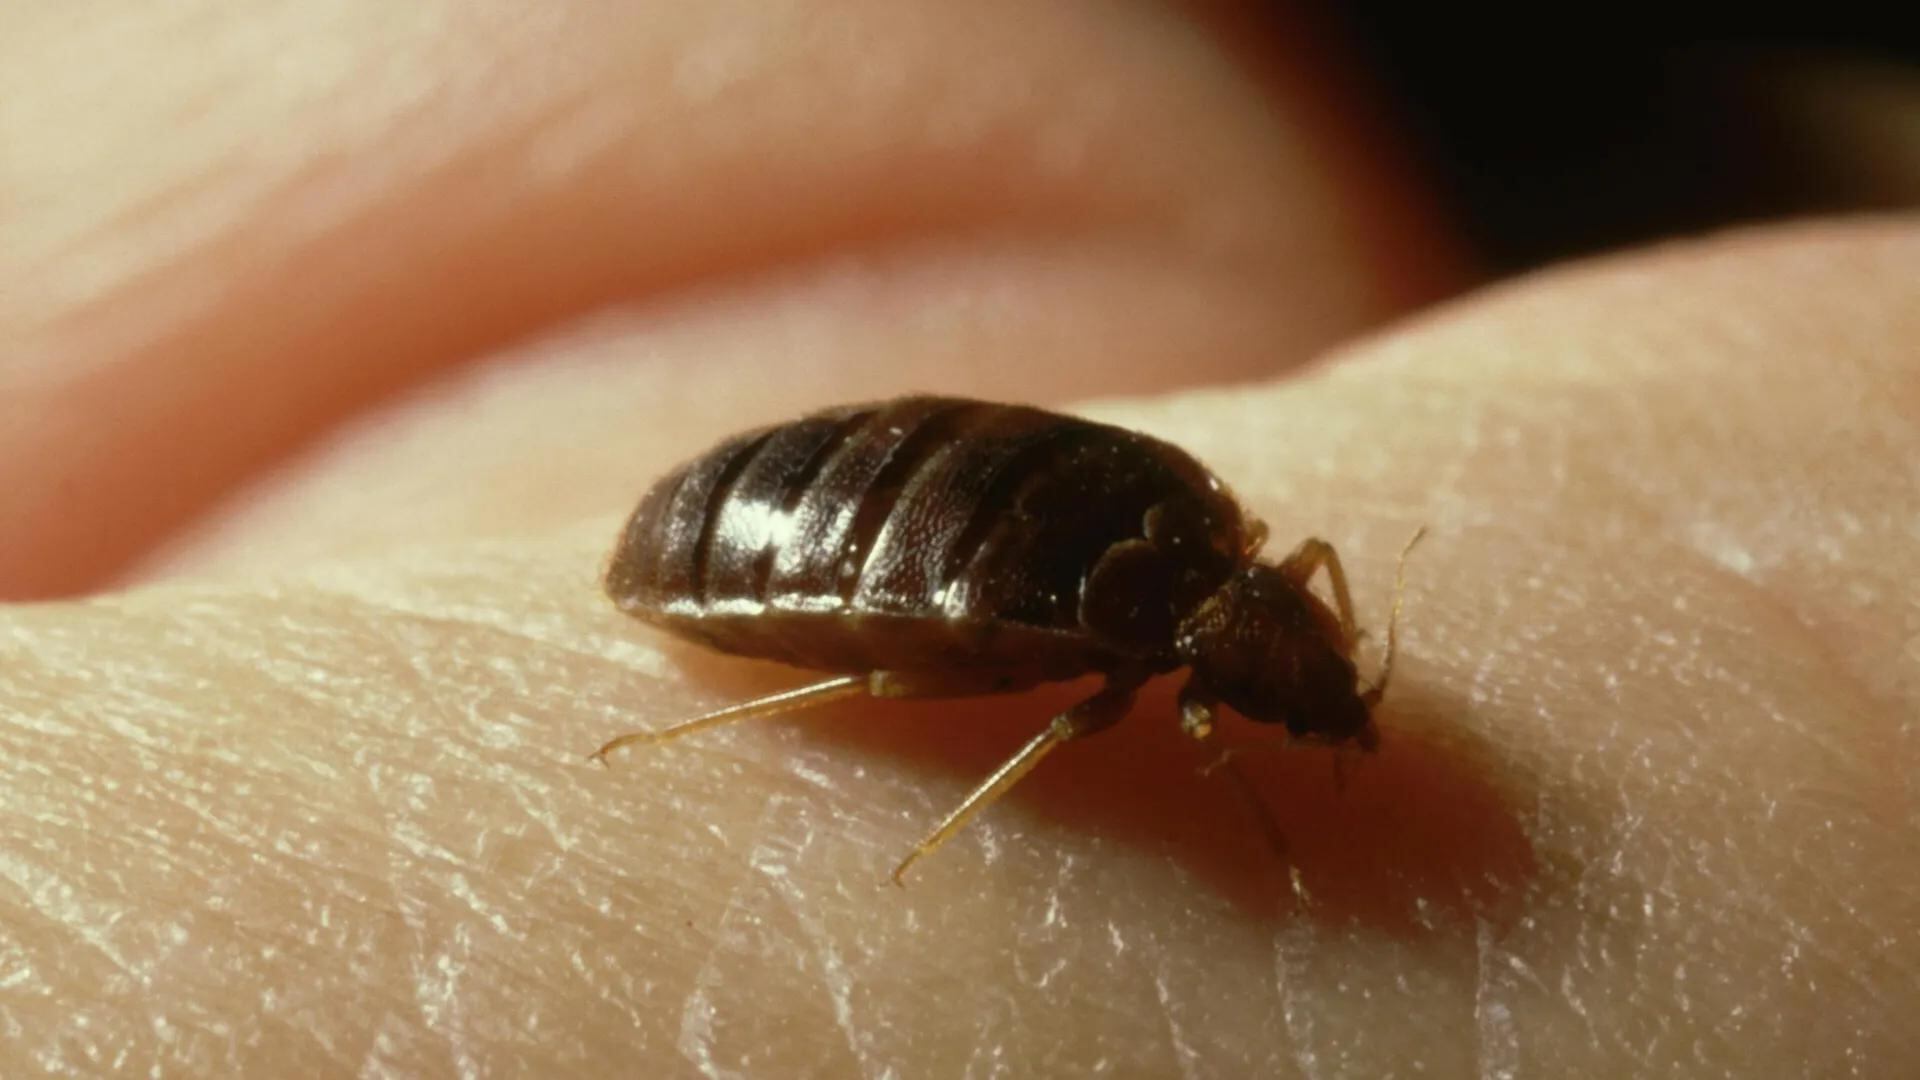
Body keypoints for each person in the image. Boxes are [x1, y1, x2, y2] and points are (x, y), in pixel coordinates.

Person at [3, 5, 1913, 1074]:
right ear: (1238, 653)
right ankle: (710, 715)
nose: (1318, 673)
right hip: (781, 532)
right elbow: (966, 660)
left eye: (1310, 673)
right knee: (879, 671)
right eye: (1305, 677)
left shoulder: (1190, 542)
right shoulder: (1137, 628)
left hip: (886, 489)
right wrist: (1250, 831)